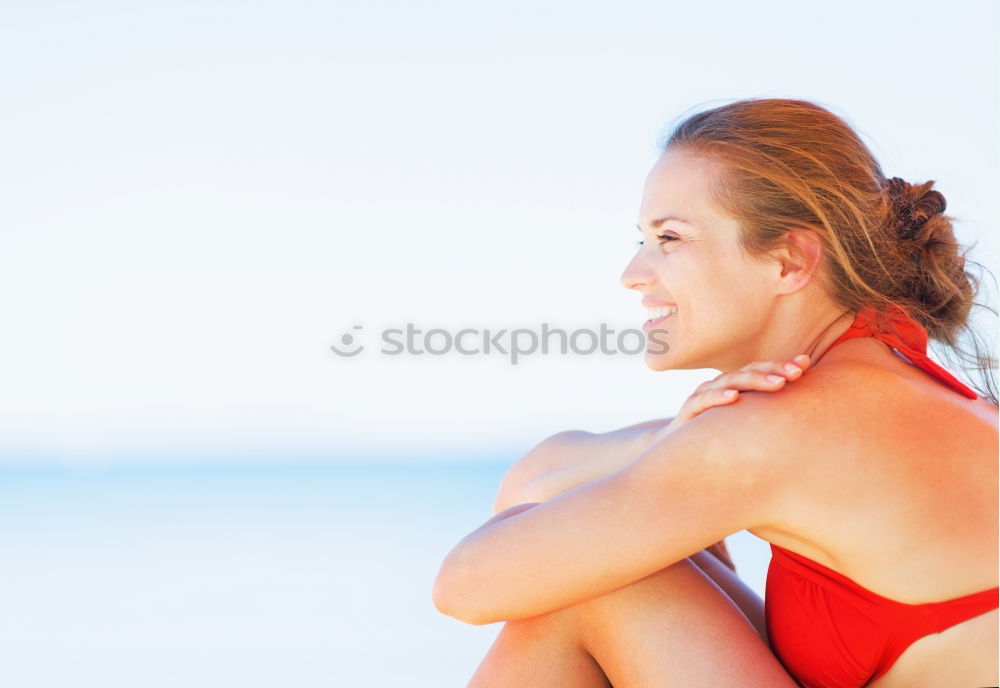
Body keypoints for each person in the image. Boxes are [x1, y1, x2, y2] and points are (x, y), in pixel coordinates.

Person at [432, 98, 999, 687]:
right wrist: (676, 437)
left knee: (591, 590)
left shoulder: (784, 426)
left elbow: (464, 586)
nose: (633, 272)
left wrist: (693, 444)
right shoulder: (906, 384)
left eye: (669, 238)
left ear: (789, 261)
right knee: (600, 562)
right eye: (643, 239)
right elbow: (532, 488)